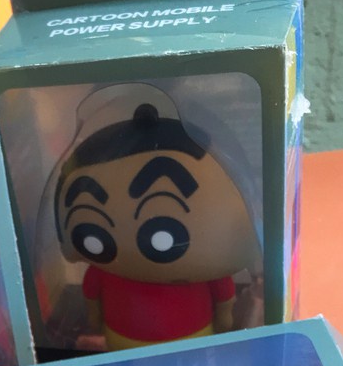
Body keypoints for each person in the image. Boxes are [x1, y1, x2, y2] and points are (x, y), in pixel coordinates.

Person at [54, 99, 260, 350]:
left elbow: (223, 290)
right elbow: (224, 296)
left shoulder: (206, 267)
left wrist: (95, 319)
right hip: (125, 339)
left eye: (162, 229)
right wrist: (224, 319)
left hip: (189, 337)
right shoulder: (105, 271)